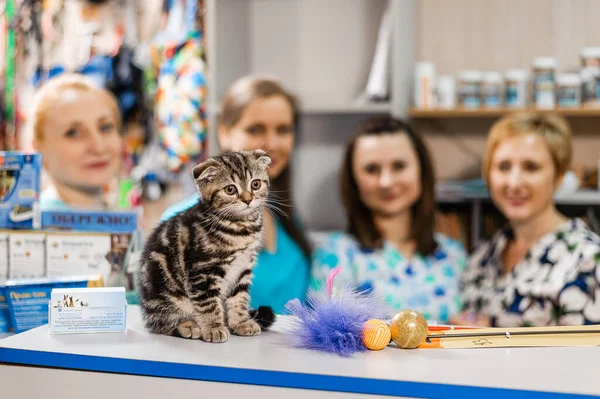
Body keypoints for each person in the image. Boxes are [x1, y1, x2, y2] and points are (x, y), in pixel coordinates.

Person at [160, 75, 312, 314]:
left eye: (283, 130)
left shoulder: (287, 218)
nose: (271, 143)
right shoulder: (182, 223)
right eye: (255, 129)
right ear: (224, 133)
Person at [310, 116, 467, 323]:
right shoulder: (335, 254)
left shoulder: (453, 254)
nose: (386, 182)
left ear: (421, 170)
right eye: (372, 169)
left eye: (399, 166)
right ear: (353, 179)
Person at [451, 112, 600, 327]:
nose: (514, 182)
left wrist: (491, 337)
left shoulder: (587, 260)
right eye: (503, 167)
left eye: (531, 167)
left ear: (558, 176)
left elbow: (588, 357)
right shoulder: (483, 255)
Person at [29, 73, 123, 210]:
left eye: (105, 127)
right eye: (73, 133)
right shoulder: (27, 228)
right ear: (39, 149)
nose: (99, 147)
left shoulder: (124, 222)